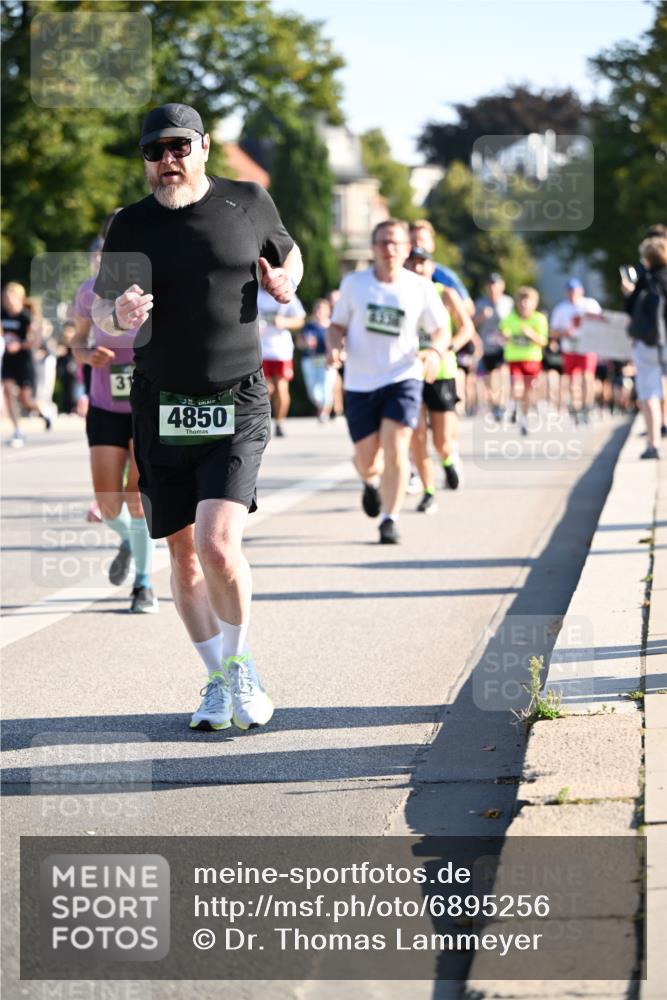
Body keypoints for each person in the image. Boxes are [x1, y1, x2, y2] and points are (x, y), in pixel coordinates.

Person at [92, 103, 302, 731]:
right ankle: (217, 677)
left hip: (237, 399)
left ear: (204, 147)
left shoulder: (248, 200)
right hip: (161, 405)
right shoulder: (131, 224)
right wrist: (116, 316)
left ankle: (239, 668)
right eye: (154, 151)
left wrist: (286, 282)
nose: (168, 160)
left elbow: (290, 254)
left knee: (216, 541)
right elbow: (101, 309)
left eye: (179, 147)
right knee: (183, 555)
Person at [327, 219, 449, 543]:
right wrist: (333, 346)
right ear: (373, 248)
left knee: (397, 449)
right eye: (383, 242)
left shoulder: (420, 287)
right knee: (367, 460)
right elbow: (336, 326)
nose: (389, 249)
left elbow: (441, 328)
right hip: (360, 383)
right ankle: (370, 483)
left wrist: (435, 352)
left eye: (396, 243)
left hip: (403, 377)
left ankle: (389, 519)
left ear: (407, 249)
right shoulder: (355, 284)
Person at [72, 230, 159, 614]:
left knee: (137, 498)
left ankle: (144, 584)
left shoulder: (153, 290)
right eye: (101, 252)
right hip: (105, 406)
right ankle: (129, 539)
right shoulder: (87, 292)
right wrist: (88, 355)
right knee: (109, 505)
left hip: (146, 406)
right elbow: (77, 341)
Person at [404, 246, 459, 513]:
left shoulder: (445, 293)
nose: (417, 268)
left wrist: (445, 348)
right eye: (412, 263)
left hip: (441, 372)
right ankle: (428, 490)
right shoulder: (399, 293)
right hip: (410, 372)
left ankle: (447, 462)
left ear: (431, 267)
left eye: (422, 263)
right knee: (417, 437)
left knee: (442, 442)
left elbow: (467, 328)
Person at [624, 235, 667, 458]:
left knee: (649, 392)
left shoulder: (646, 279)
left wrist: (628, 292)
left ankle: (653, 443)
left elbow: (630, 309)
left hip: (649, 342)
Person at [2, 282, 52, 447]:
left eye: (10, 296)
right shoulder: (3, 314)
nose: (7, 299)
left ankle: (44, 413)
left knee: (26, 400)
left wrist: (20, 345)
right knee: (8, 392)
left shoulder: (26, 316)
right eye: (5, 296)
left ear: (19, 298)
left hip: (24, 361)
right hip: (8, 360)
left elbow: (35, 341)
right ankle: (17, 430)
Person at [549, 278, 602, 424]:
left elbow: (601, 323)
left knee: (587, 376)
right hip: (569, 348)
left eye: (575, 290)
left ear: (581, 291)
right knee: (571, 379)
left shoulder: (590, 304)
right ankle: (575, 406)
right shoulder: (561, 308)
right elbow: (553, 331)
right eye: (570, 291)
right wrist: (563, 333)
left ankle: (587, 406)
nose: (572, 294)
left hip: (587, 347)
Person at [499, 287, 549, 435]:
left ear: (534, 303)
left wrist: (531, 334)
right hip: (514, 359)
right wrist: (504, 334)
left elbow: (543, 341)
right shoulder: (510, 318)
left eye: (528, 302)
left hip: (532, 360)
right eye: (522, 301)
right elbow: (501, 330)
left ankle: (524, 417)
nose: (524, 305)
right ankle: (514, 406)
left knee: (529, 391)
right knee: (517, 386)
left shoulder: (539, 319)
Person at [259, 286, 305, 437]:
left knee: (281, 389)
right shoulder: (254, 294)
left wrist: (284, 322)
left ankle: (279, 423)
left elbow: (300, 320)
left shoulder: (285, 293)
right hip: (260, 350)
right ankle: (261, 424)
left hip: (281, 351)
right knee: (265, 389)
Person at [474, 273, 513, 420]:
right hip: (487, 346)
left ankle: (503, 403)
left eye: (495, 285)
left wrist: (508, 331)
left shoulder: (508, 302)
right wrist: (480, 317)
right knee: (489, 379)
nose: (492, 288)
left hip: (503, 346)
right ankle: (495, 405)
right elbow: (470, 323)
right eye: (490, 285)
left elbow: (515, 321)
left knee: (502, 374)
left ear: (502, 286)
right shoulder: (480, 303)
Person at [297, 298, 338, 423]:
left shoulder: (332, 326)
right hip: (310, 360)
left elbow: (341, 343)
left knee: (326, 386)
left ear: (328, 311)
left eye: (322, 309)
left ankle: (324, 413)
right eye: (317, 309)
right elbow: (299, 343)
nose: (319, 311)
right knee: (314, 392)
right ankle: (322, 407)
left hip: (326, 360)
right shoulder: (308, 327)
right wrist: (305, 344)